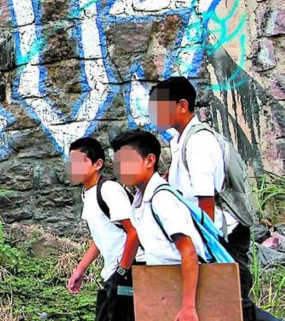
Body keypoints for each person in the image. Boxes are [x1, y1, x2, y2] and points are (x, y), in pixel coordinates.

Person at [148, 76, 248, 262]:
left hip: (220, 237)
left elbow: (206, 200)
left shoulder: (198, 142)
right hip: (205, 236)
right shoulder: (179, 141)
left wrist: (207, 247)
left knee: (226, 291)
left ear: (183, 106)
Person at [111, 129, 205, 321]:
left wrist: (188, 307)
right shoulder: (141, 198)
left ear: (149, 160)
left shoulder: (162, 199)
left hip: (187, 289)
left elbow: (188, 251)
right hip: (166, 288)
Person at [66, 137, 142, 321]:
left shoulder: (109, 190)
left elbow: (134, 232)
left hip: (133, 270)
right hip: (116, 273)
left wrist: (122, 271)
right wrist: (80, 269)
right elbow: (100, 237)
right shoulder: (88, 193)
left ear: (97, 164)